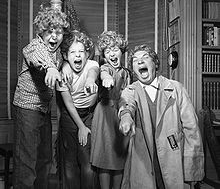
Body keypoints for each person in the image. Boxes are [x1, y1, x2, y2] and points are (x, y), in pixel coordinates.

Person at [118, 44, 204, 189]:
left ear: (155, 63)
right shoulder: (130, 91)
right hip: (144, 160)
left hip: (174, 160)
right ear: (133, 69)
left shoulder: (176, 88)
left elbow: (192, 130)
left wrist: (191, 169)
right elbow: (126, 105)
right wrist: (126, 117)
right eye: (135, 60)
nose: (140, 61)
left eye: (145, 57)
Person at [13, 3, 69, 189]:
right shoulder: (33, 46)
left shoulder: (59, 54)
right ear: (42, 32)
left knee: (45, 159)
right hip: (27, 109)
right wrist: (51, 68)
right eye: (49, 31)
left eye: (59, 32)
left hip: (43, 110)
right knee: (26, 162)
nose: (54, 36)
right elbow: (39, 56)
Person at [56, 30, 99, 189]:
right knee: (70, 161)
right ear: (66, 56)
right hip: (70, 115)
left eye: (81, 51)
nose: (78, 55)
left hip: (89, 114)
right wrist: (81, 126)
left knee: (87, 160)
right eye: (73, 52)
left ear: (87, 54)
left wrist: (90, 80)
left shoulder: (92, 65)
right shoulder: (62, 75)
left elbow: (93, 72)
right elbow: (68, 104)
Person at [90, 31, 132, 189]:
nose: (112, 53)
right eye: (107, 51)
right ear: (103, 55)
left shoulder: (127, 73)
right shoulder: (105, 67)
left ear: (122, 50)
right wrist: (106, 78)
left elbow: (128, 95)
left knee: (119, 158)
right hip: (105, 114)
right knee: (105, 158)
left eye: (115, 49)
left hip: (121, 113)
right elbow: (103, 73)